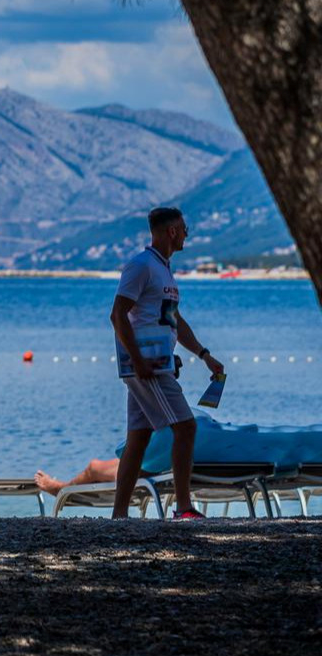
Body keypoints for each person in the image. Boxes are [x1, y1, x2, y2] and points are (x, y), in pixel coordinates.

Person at [110, 206, 224, 520]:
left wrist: (204, 355)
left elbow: (172, 320)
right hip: (147, 366)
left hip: (157, 362)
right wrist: (138, 361)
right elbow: (118, 315)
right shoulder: (141, 266)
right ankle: (184, 507)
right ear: (172, 231)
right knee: (186, 427)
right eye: (184, 228)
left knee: (139, 437)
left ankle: (118, 516)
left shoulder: (165, 269)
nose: (187, 233)